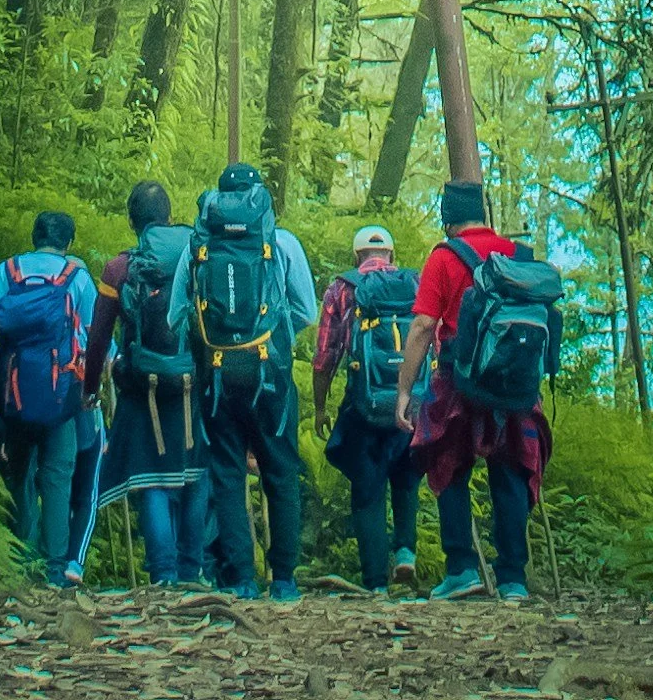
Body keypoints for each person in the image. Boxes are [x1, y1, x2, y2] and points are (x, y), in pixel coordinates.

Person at [394, 179, 556, 603]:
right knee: (510, 471)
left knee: (448, 465)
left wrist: (404, 392)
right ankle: (513, 579)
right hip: (517, 385)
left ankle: (462, 569)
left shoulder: (445, 258)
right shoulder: (517, 255)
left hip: (459, 381)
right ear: (482, 212)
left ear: (447, 217)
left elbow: (424, 326)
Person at [170, 162, 318, 605]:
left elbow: (177, 314)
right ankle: (285, 580)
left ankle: (240, 579)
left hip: (216, 376)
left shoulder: (198, 245)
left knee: (228, 473)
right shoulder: (282, 242)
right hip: (270, 377)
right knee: (281, 471)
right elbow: (307, 312)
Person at [0, 210, 98, 587]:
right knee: (57, 477)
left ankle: (20, 563)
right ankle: (55, 571)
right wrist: (94, 387)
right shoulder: (77, 277)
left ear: (35, 237)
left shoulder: (8, 271)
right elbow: (92, 336)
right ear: (68, 243)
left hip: (12, 393)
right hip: (61, 398)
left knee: (19, 475)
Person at [86, 179, 211, 585]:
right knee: (194, 473)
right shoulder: (198, 257)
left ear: (132, 221)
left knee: (150, 478)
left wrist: (89, 388)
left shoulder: (119, 267)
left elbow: (99, 335)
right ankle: (192, 570)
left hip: (142, 388)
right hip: (195, 381)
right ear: (170, 215)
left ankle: (163, 575)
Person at [313, 223, 427, 593]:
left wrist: (320, 406)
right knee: (406, 478)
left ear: (355, 257)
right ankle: (406, 551)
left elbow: (325, 356)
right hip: (409, 402)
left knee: (367, 490)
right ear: (391, 257)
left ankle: (376, 582)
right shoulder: (413, 285)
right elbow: (431, 339)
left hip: (363, 406)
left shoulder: (342, 290)